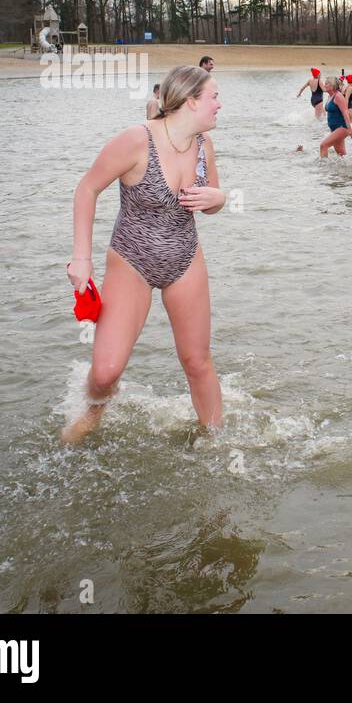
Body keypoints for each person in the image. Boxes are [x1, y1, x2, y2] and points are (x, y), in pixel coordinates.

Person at [63, 65, 227, 444]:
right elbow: (87, 188)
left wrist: (219, 198)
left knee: (197, 362)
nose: (219, 105)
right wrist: (81, 258)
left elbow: (212, 203)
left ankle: (217, 442)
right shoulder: (137, 141)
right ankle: (94, 409)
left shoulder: (203, 144)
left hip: (184, 258)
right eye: (214, 97)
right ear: (190, 102)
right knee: (105, 372)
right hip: (131, 261)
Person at [317, 76, 352, 158]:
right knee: (342, 155)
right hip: (334, 129)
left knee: (323, 145)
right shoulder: (329, 96)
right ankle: (347, 169)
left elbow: (345, 112)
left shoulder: (338, 96)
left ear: (332, 85)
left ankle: (323, 168)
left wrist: (350, 130)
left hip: (342, 128)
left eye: (326, 83)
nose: (324, 85)